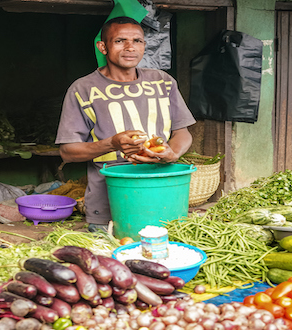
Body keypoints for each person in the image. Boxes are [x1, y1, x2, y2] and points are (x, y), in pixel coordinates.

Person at [55, 16, 196, 232]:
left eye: (137, 41)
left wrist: (172, 153)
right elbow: (68, 152)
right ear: (103, 47)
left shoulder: (163, 81)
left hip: (163, 198)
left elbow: (183, 133)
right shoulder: (83, 89)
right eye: (120, 41)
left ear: (144, 46)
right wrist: (112, 143)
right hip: (109, 208)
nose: (130, 48)